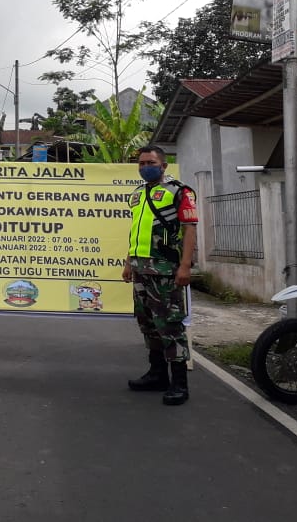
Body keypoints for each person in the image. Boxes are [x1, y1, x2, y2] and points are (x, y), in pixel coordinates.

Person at [121, 145, 198, 405]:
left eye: (150, 162)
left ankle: (179, 383)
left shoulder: (180, 192)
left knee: (170, 325)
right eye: (141, 163)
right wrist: (128, 262)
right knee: (149, 324)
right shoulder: (136, 195)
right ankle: (157, 375)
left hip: (166, 270)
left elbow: (189, 230)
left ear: (163, 166)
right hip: (141, 269)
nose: (145, 167)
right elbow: (136, 231)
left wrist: (185, 266)